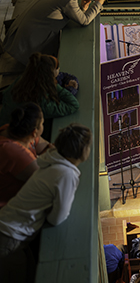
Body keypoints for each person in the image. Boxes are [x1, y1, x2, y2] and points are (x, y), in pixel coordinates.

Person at [0, 124, 91, 258]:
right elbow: (57, 218)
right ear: (82, 150)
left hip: (6, 221)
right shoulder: (66, 174)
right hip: (11, 233)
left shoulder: (52, 159)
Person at [1, 0, 104, 73]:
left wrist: (82, 8)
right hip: (25, 46)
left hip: (18, 36)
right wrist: (98, 4)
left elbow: (70, 13)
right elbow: (85, 21)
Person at [0, 53, 79, 130]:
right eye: (57, 68)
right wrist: (53, 84)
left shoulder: (21, 81)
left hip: (3, 125)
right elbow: (73, 105)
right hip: (16, 134)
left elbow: (4, 95)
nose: (59, 69)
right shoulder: (40, 101)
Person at [0, 104, 55, 207]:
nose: (43, 126)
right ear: (34, 132)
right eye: (42, 123)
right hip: (8, 210)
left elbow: (47, 147)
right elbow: (46, 181)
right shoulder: (13, 151)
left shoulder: (16, 130)